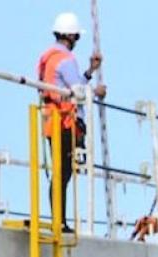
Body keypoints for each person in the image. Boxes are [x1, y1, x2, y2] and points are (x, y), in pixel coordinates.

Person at [36, 12, 107, 227]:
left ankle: (60, 220)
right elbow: (78, 92)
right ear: (70, 36)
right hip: (64, 122)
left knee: (61, 172)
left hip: (52, 121)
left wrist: (89, 72)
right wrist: (97, 91)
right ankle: (60, 222)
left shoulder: (50, 58)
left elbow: (72, 86)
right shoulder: (65, 60)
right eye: (76, 37)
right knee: (63, 173)